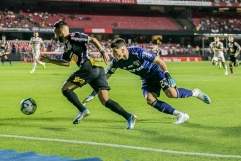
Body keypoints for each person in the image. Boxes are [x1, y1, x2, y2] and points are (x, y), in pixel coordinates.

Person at [83, 38, 211, 125]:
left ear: (123, 50)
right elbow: (105, 78)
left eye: (115, 52)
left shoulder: (138, 52)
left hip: (157, 72)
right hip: (146, 78)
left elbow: (159, 61)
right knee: (150, 100)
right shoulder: (116, 62)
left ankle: (195, 93)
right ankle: (180, 115)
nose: (113, 55)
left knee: (172, 94)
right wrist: (94, 93)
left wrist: (168, 75)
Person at [40, 21, 137, 129]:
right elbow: (66, 63)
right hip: (96, 70)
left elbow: (93, 40)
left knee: (65, 88)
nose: (55, 36)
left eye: (55, 33)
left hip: (88, 67)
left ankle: (83, 110)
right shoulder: (67, 46)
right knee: (105, 100)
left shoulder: (73, 36)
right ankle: (129, 116)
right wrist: (49, 60)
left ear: (61, 31)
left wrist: (103, 52)